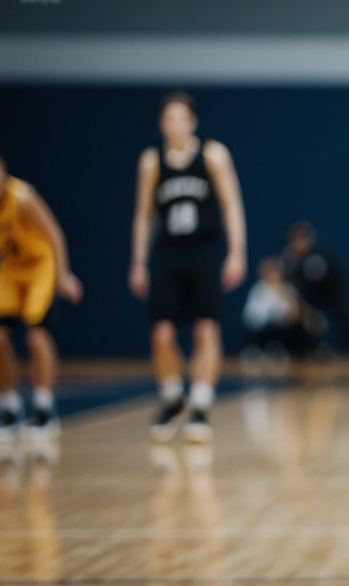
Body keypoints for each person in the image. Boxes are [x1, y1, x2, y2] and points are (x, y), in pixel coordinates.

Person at [130, 91, 247, 443]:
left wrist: (237, 252)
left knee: (205, 330)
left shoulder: (213, 154)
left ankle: (200, 405)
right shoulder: (152, 161)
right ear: (161, 123)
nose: (175, 125)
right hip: (169, 252)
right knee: (162, 333)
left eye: (182, 118)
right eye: (169, 119)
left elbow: (231, 206)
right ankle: (171, 397)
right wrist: (137, 261)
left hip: (205, 250)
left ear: (193, 122)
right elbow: (143, 216)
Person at [0, 149, 83, 441]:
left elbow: (55, 234)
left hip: (40, 266)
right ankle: (9, 409)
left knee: (36, 335)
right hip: (11, 268)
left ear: (4, 174)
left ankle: (45, 409)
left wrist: (64, 276)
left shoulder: (22, 197)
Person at [281, 221, 349, 356]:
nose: (297, 243)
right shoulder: (291, 257)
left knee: (343, 318)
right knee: (303, 319)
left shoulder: (315, 256)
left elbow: (317, 280)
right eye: (295, 240)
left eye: (302, 239)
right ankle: (310, 348)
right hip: (312, 298)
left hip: (331, 293)